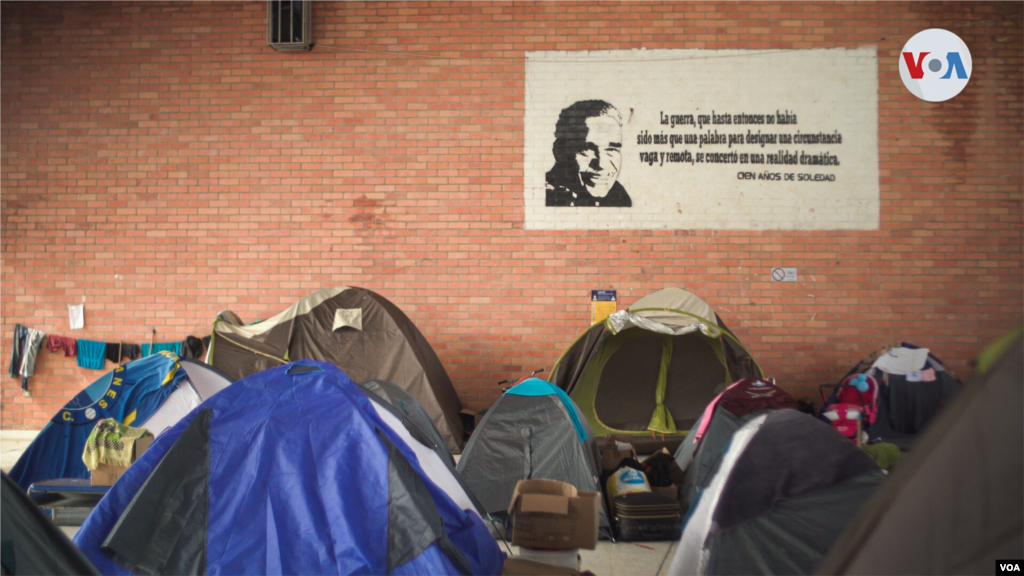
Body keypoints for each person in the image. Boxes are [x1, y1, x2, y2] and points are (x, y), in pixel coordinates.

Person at [545, 100, 632, 207]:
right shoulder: (543, 197)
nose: (602, 164)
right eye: (586, 149)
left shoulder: (620, 198)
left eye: (612, 149)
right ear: (560, 152)